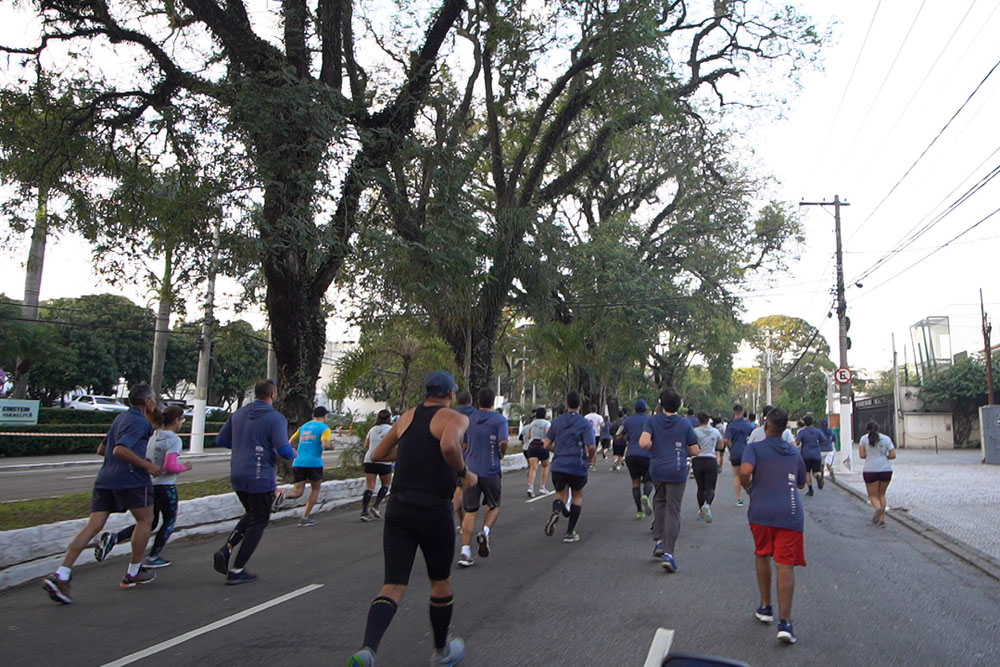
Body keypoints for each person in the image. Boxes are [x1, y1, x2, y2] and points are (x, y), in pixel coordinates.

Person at [348, 371, 473, 667]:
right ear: (451, 394)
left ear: (426, 393)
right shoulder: (454, 417)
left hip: (399, 508)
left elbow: (378, 453)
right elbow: (449, 446)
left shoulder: (406, 417)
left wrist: (409, 452)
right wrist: (464, 474)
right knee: (440, 582)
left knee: (393, 585)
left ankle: (368, 650)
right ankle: (442, 652)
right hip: (434, 510)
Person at [43, 384, 164, 604]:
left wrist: (134, 458)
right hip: (132, 480)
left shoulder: (120, 418)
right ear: (147, 402)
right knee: (146, 519)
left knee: (93, 526)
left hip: (105, 479)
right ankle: (134, 571)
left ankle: (62, 574)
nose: (155, 403)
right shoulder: (140, 422)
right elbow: (120, 449)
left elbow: (103, 449)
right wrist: (146, 465)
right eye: (153, 399)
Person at [212, 379, 296, 585]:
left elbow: (221, 440)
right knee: (259, 520)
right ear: (273, 394)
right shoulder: (275, 418)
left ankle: (227, 548)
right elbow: (284, 450)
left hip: (237, 473)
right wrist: (295, 453)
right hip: (260, 476)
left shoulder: (238, 414)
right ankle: (237, 569)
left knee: (252, 513)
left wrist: (244, 446)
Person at [94, 405, 192, 569]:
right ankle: (153, 556)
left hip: (150, 484)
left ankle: (115, 538)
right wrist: (185, 467)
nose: (182, 423)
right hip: (166, 487)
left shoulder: (154, 435)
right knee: (169, 521)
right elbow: (170, 466)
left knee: (148, 522)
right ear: (176, 420)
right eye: (182, 419)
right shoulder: (174, 440)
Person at [739, 408, 807, 645]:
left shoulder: (754, 448)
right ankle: (785, 623)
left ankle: (766, 606)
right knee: (785, 566)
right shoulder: (794, 451)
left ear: (766, 425)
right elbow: (801, 483)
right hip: (790, 513)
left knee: (762, 554)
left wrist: (748, 486)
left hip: (761, 511)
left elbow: (745, 471)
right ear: (785, 428)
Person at [639, 388, 698, 572]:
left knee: (660, 501)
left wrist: (654, 446)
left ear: (661, 403)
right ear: (679, 405)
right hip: (677, 469)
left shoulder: (652, 421)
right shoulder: (685, 423)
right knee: (673, 510)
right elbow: (695, 450)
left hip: (658, 468)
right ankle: (669, 554)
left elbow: (643, 443)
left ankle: (659, 541)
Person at [458, 388, 508, 567]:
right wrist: (500, 454)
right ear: (493, 401)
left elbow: (463, 445)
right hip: (491, 470)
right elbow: (503, 442)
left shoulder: (468, 419)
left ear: (477, 401)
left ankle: (465, 551)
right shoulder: (500, 420)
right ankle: (485, 532)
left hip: (471, 471)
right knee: (494, 506)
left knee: (470, 511)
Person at [543, 392, 596, 543]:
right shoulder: (585, 423)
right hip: (577, 465)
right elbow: (591, 447)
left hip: (559, 465)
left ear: (566, 404)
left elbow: (546, 445)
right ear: (580, 404)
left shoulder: (557, 422)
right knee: (577, 496)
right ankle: (570, 532)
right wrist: (589, 459)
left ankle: (557, 511)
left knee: (560, 495)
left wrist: (558, 451)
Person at [284, 406, 334, 526]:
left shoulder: (303, 427)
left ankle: (281, 495)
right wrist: (332, 446)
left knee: (297, 491)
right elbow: (326, 444)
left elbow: (289, 442)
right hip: (314, 463)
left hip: (299, 462)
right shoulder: (324, 428)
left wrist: (293, 451)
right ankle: (304, 517)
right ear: (325, 416)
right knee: (315, 489)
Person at [859, 420, 895, 527]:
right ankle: (882, 518)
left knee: (873, 495)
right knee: (882, 494)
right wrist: (884, 457)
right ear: (879, 428)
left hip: (870, 470)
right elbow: (893, 455)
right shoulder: (886, 438)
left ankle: (878, 509)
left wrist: (871, 455)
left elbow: (862, 455)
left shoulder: (863, 439)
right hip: (886, 469)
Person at [622, 399, 653, 519]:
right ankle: (645, 495)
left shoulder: (627, 420)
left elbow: (619, 434)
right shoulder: (650, 420)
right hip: (647, 454)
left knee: (635, 482)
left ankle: (639, 511)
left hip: (631, 454)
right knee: (649, 480)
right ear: (645, 409)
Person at [361, 409, 394, 521]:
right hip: (384, 460)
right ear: (389, 418)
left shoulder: (372, 429)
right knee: (386, 484)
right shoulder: (391, 429)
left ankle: (364, 512)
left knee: (370, 486)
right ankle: (376, 506)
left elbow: (366, 445)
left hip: (369, 460)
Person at [692, 411, 722, 523]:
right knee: (710, 487)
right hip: (711, 459)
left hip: (698, 460)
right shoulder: (715, 431)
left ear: (698, 420)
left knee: (700, 487)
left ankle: (701, 509)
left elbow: (690, 445)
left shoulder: (694, 431)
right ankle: (707, 505)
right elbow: (721, 445)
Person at [452, 391, 476, 528]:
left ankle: (462, 522)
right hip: (468, 457)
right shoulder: (475, 415)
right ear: (471, 401)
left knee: (456, 490)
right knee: (461, 491)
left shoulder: (451, 414)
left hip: (449, 456)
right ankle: (451, 515)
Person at [722, 404, 754, 508]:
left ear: (734, 412)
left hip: (735, 452)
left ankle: (739, 499)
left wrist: (730, 448)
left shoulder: (731, 425)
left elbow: (726, 440)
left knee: (736, 475)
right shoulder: (749, 425)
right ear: (743, 412)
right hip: (748, 452)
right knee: (748, 474)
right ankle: (751, 493)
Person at [521, 407, 551, 497]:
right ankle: (542, 487)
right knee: (545, 466)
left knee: (533, 468)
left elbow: (529, 436)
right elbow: (548, 434)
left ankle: (530, 487)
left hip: (532, 446)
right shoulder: (547, 423)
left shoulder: (532, 423)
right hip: (542, 446)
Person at [795, 415, 825, 496]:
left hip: (805, 454)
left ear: (804, 423)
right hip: (816, 454)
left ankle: (810, 490)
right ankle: (818, 477)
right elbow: (823, 440)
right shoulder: (817, 431)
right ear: (812, 422)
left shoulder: (802, 432)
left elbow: (797, 442)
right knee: (816, 471)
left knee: (807, 472)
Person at [583, 403, 603, 471]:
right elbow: (602, 425)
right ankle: (593, 465)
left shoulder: (586, 416)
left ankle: (588, 462)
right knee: (594, 450)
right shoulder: (599, 417)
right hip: (596, 434)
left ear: (590, 409)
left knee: (586, 449)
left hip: (587, 434)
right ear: (596, 409)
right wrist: (600, 429)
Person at [610, 407, 628, 471]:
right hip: (623, 440)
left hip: (616, 440)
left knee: (615, 453)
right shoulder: (625, 422)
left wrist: (614, 435)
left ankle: (615, 460)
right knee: (621, 454)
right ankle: (618, 465)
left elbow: (610, 430)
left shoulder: (614, 422)